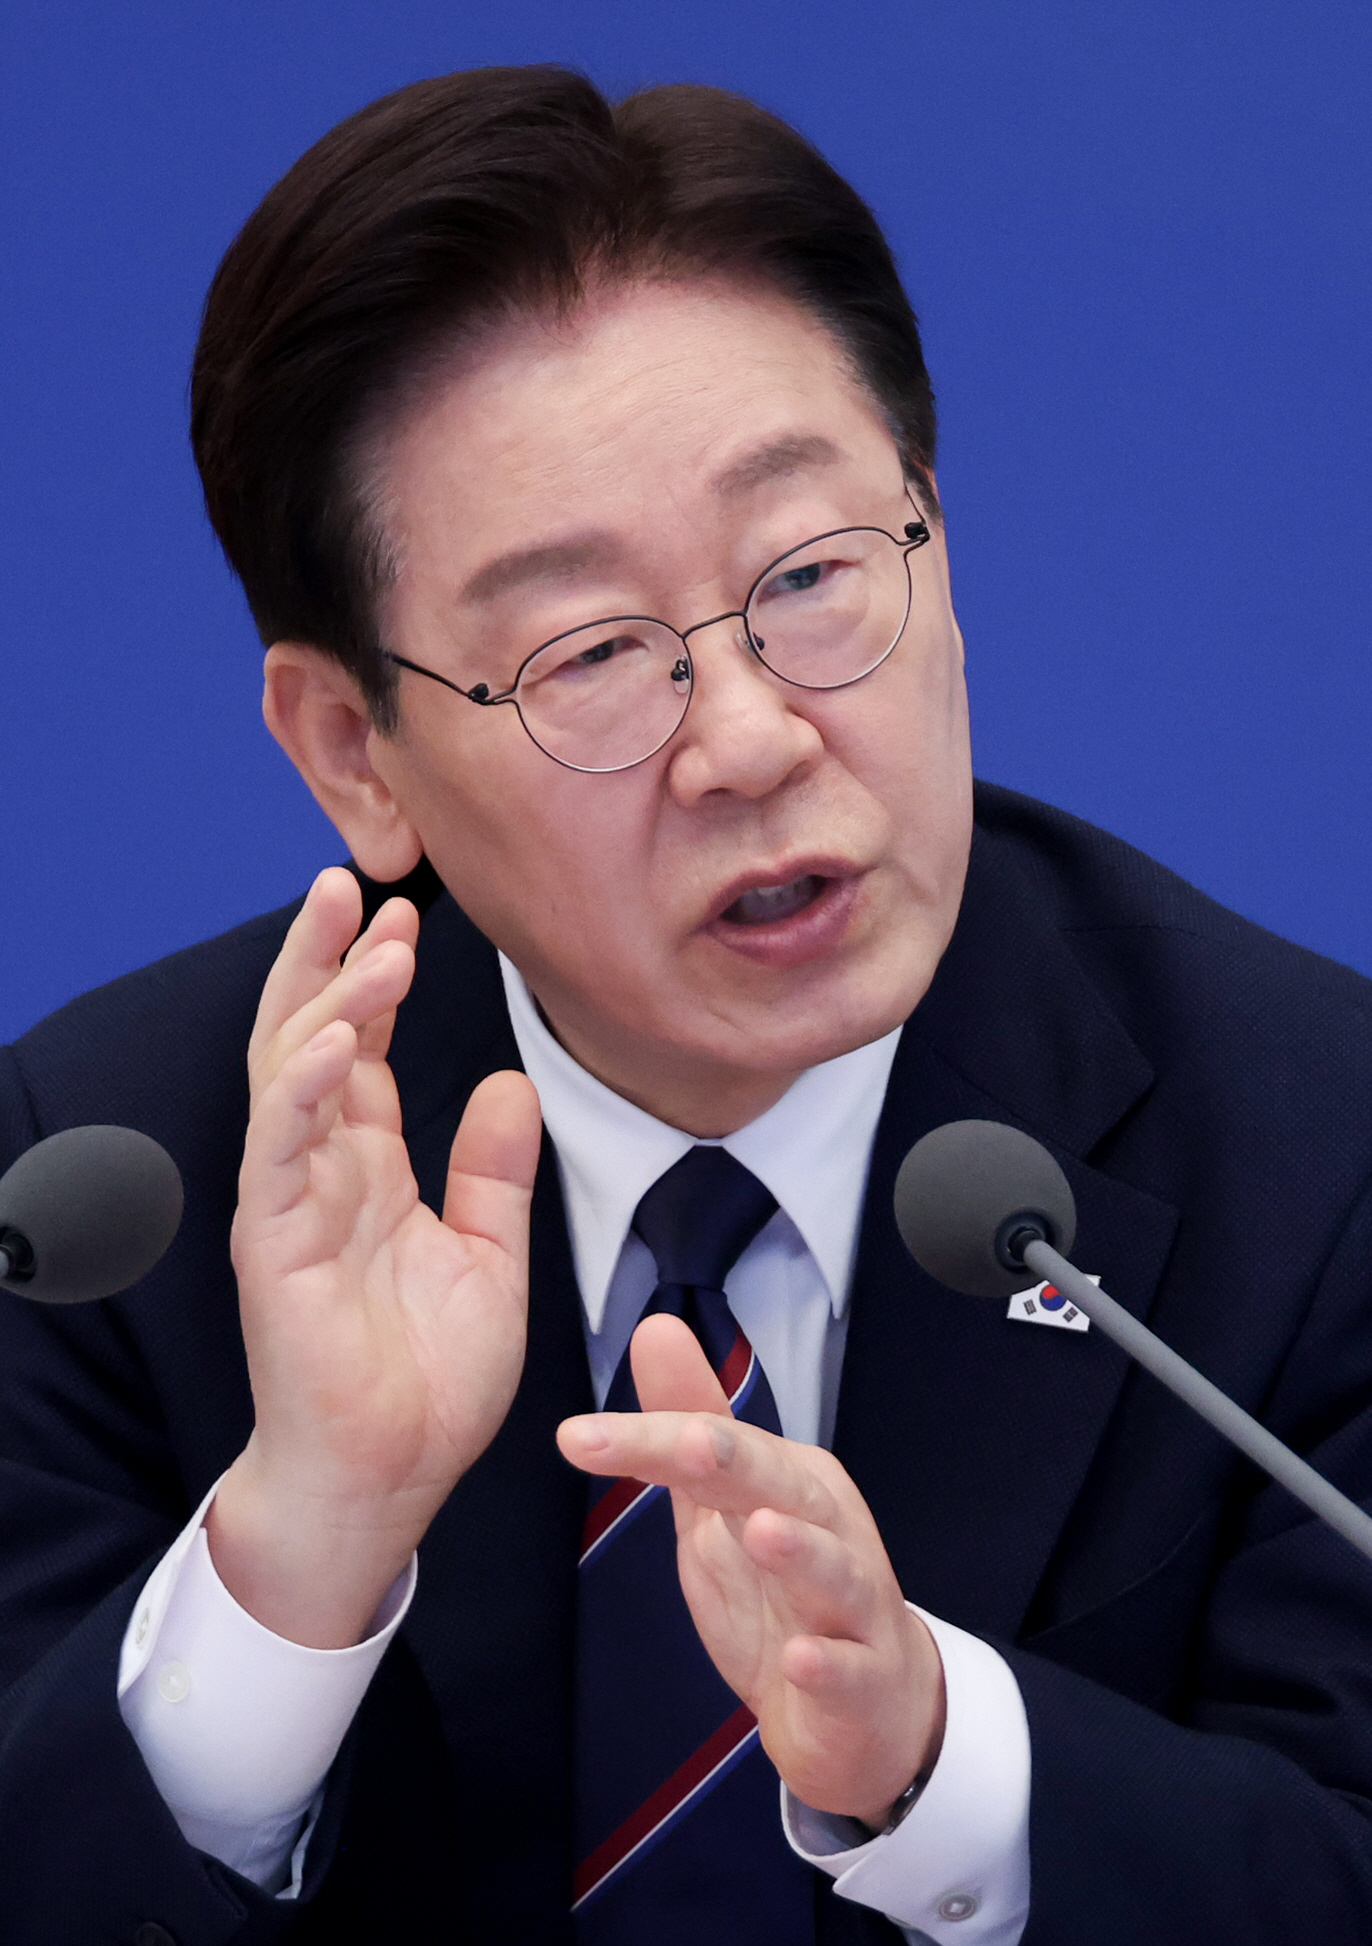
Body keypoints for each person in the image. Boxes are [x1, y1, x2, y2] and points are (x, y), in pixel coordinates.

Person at [2, 64, 1372, 1946]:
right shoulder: (107, 1196)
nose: (748, 736)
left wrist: (941, 1760)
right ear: (354, 754)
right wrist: (294, 1557)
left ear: (937, 535)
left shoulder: (1322, 1154)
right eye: (589, 654)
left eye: (810, 574)